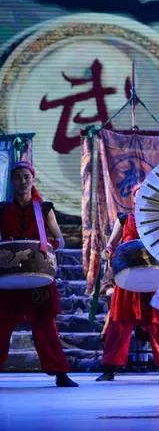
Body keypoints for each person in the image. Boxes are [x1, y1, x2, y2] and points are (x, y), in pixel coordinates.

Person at [0, 161, 78, 387]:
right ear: (12, 181)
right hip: (9, 278)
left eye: (26, 177)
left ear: (33, 179)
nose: (22, 181)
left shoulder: (44, 208)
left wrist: (46, 246)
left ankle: (60, 373)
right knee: (1, 327)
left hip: (37, 279)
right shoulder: (2, 209)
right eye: (18, 177)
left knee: (45, 327)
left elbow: (60, 240)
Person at [95, 185, 159, 381]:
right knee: (119, 323)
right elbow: (111, 245)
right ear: (133, 199)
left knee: (157, 324)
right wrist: (108, 251)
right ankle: (109, 368)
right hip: (127, 279)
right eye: (137, 195)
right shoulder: (124, 219)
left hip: (153, 279)